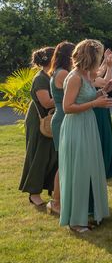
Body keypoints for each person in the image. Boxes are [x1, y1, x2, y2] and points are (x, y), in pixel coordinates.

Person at [59, 40, 112, 232]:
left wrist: (101, 92)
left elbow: (85, 98)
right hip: (76, 127)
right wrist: (94, 104)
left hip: (87, 125)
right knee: (79, 172)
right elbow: (67, 108)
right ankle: (75, 221)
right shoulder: (75, 77)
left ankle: (86, 213)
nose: (100, 60)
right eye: (98, 56)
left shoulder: (86, 75)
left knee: (90, 169)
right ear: (91, 57)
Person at [19, 47, 57, 209]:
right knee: (38, 156)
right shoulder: (40, 78)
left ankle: (52, 189)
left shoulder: (50, 76)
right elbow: (46, 102)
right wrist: (67, 95)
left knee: (52, 156)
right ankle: (33, 194)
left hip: (51, 120)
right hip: (39, 121)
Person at [48, 41, 75, 215]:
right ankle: (55, 202)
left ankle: (61, 198)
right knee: (64, 163)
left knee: (65, 162)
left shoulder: (56, 72)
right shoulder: (64, 73)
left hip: (61, 117)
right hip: (63, 119)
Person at [93, 49, 112, 179]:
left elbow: (98, 72)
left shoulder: (88, 73)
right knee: (101, 138)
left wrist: (105, 60)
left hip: (101, 108)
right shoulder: (85, 74)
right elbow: (104, 83)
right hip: (96, 109)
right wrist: (109, 67)